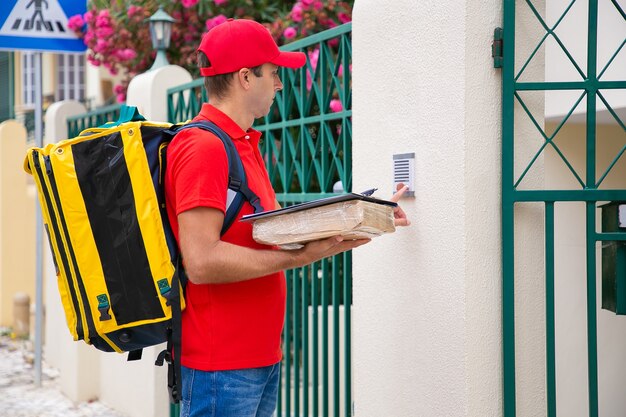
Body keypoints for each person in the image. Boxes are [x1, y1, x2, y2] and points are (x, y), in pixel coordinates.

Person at [164, 18, 410, 417]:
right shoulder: (203, 147)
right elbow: (202, 262)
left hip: (259, 358)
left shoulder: (242, 144)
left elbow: (264, 234)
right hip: (221, 368)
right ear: (246, 77)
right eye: (274, 73)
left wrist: (360, 216)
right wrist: (299, 257)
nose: (279, 85)